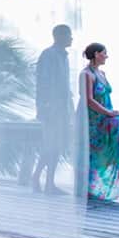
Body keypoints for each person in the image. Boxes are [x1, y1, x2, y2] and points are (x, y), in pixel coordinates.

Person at [76, 42, 119, 200]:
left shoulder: (102, 73)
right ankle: (92, 184)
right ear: (96, 54)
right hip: (91, 117)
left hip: (105, 114)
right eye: (104, 53)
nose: (106, 56)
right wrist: (108, 113)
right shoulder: (86, 74)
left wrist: (110, 113)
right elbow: (88, 100)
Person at [31, 24, 73, 194]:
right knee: (51, 145)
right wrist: (45, 107)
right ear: (59, 36)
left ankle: (48, 183)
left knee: (55, 146)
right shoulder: (49, 55)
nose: (71, 38)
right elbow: (44, 82)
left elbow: (64, 85)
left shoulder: (63, 56)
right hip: (52, 109)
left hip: (61, 108)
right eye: (69, 35)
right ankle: (39, 179)